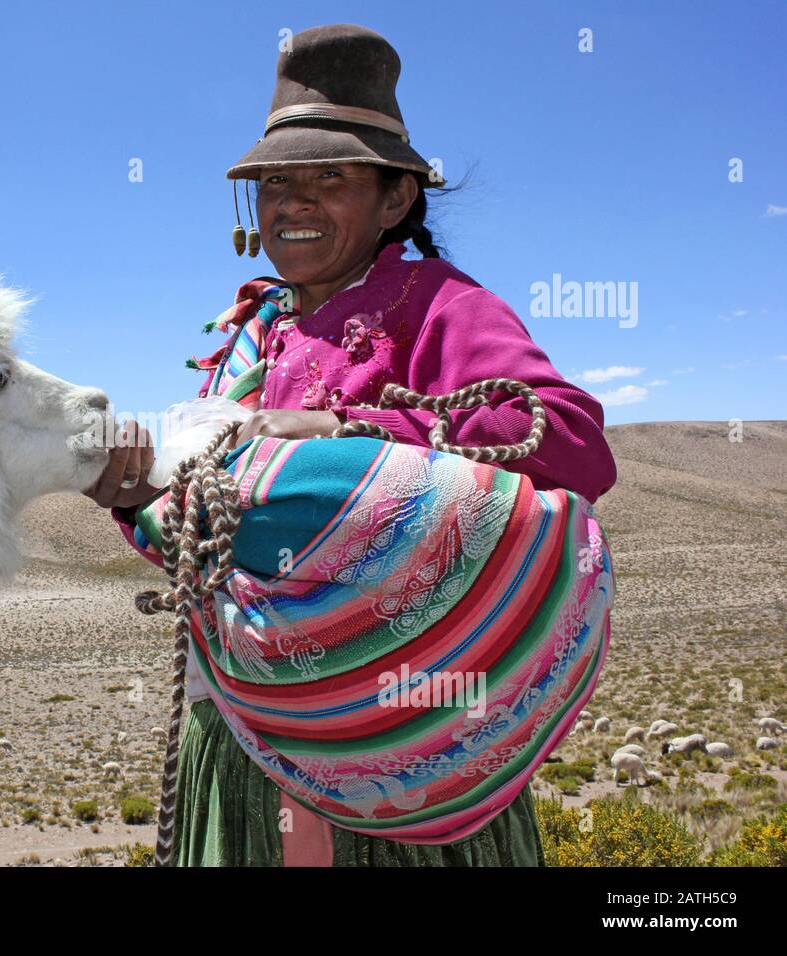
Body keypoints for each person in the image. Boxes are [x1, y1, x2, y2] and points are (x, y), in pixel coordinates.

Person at [85, 24, 616, 866]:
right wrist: (137, 500)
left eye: (329, 179)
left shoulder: (436, 304)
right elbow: (221, 540)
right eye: (274, 183)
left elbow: (573, 442)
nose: (293, 204)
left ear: (396, 198)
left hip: (395, 747)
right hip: (243, 729)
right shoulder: (247, 339)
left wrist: (351, 428)